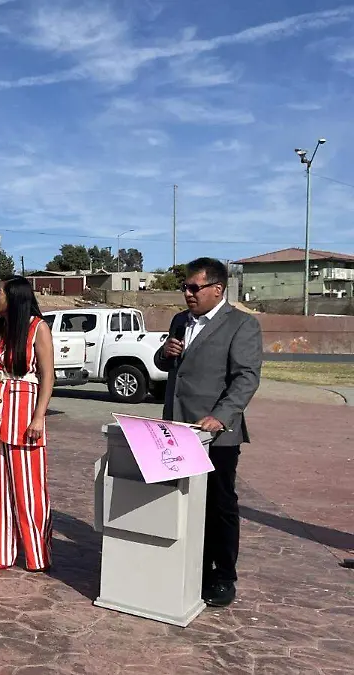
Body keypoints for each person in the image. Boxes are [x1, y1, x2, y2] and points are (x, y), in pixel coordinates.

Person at [154, 257, 261, 609]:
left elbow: (246, 377)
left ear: (217, 289)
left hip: (216, 434)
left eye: (194, 288)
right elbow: (168, 366)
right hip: (177, 429)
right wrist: (165, 353)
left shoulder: (242, 324)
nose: (188, 293)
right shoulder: (180, 321)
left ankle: (223, 575)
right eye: (185, 287)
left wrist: (221, 415)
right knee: (181, 501)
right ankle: (191, 567)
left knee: (219, 504)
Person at [0, 276, 55, 572]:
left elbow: (48, 375)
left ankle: (36, 555)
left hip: (23, 414)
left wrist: (39, 416)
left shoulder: (38, 328)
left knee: (29, 487)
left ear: (14, 296)